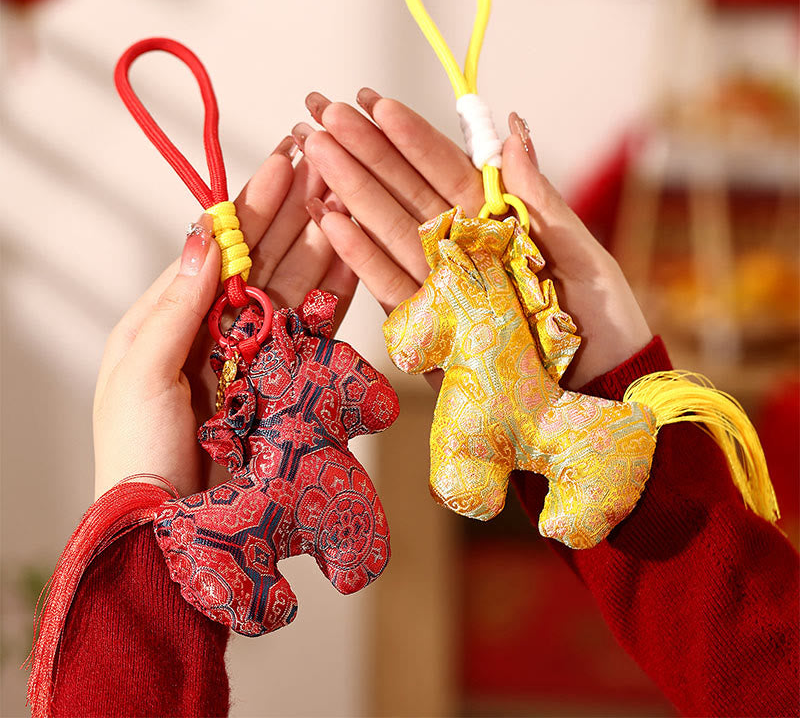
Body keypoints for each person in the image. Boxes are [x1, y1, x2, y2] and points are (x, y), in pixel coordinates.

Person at [50, 94, 798, 717]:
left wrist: (138, 578)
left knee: (450, 469)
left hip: (532, 411)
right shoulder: (283, 380)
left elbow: (378, 389)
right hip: (282, 477)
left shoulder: (344, 363)